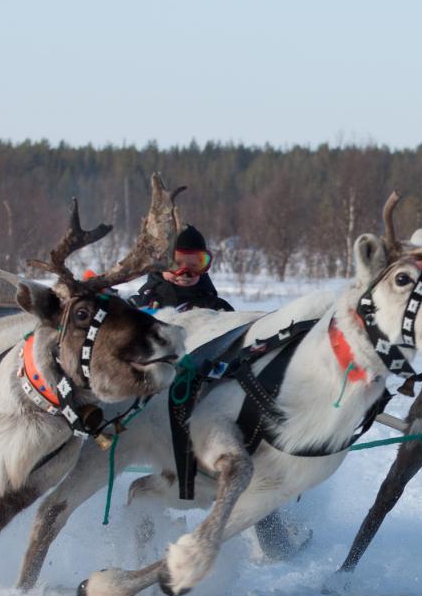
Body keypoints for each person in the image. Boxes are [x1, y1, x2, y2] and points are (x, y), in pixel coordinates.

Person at [129, 224, 310, 561]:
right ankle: (145, 553)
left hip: (213, 407)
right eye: (178, 262)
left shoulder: (220, 307)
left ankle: (278, 545)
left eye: (197, 262)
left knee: (252, 471)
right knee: (160, 486)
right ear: (161, 263)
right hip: (159, 411)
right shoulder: (142, 306)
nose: (187, 272)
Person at [129, 225, 233, 312]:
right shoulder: (137, 306)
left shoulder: (217, 309)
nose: (185, 273)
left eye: (194, 266)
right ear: (160, 264)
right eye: (176, 265)